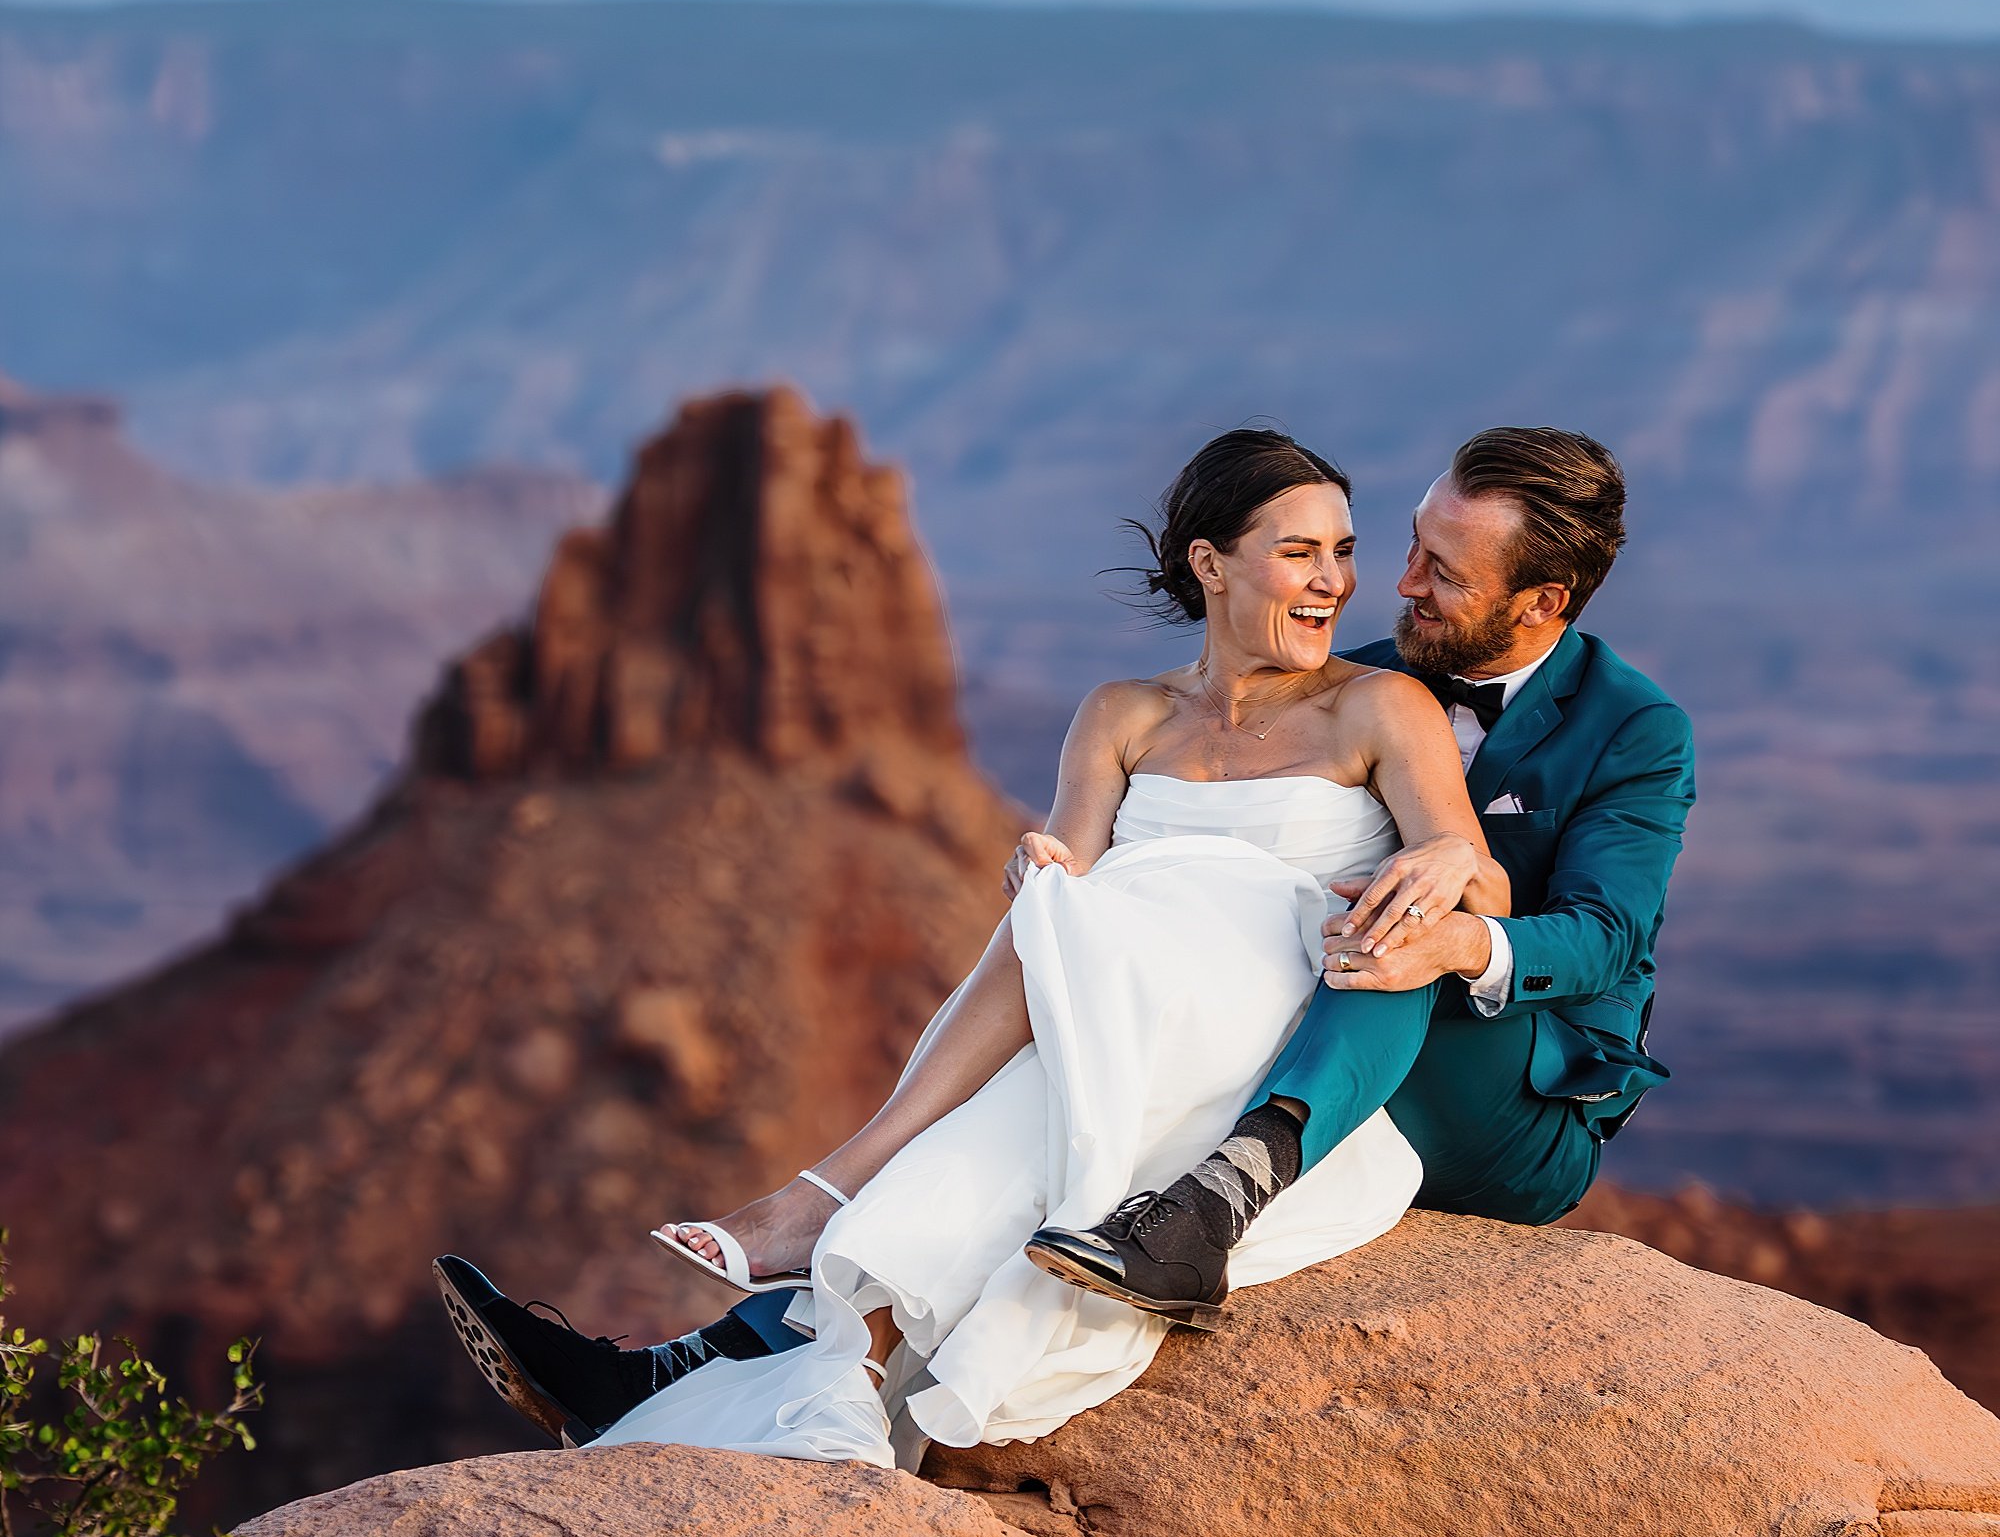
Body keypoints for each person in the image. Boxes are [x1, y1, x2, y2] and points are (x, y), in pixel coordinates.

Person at [437, 426, 1510, 1462]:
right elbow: (1071, 869)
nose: (1332, 582)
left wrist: (1447, 865)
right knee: (1036, 992)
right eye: (1297, 553)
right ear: (1210, 564)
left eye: (1342, 553)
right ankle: (830, 1381)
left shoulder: (1378, 706)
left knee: (1064, 954)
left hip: (1266, 1002)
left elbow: (1483, 882)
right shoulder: (1122, 714)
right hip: (1126, 1011)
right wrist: (1040, 870)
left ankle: (823, 1199)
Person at [1032, 425, 1696, 1325]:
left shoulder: (1634, 728)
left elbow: (1605, 940)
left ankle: (1221, 1201)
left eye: (1445, 572)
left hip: (1501, 1093)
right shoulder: (1346, 683)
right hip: (1310, 1028)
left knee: (1399, 929)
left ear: (1542, 602)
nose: (1402, 583)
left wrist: (1460, 941)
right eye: (1414, 543)